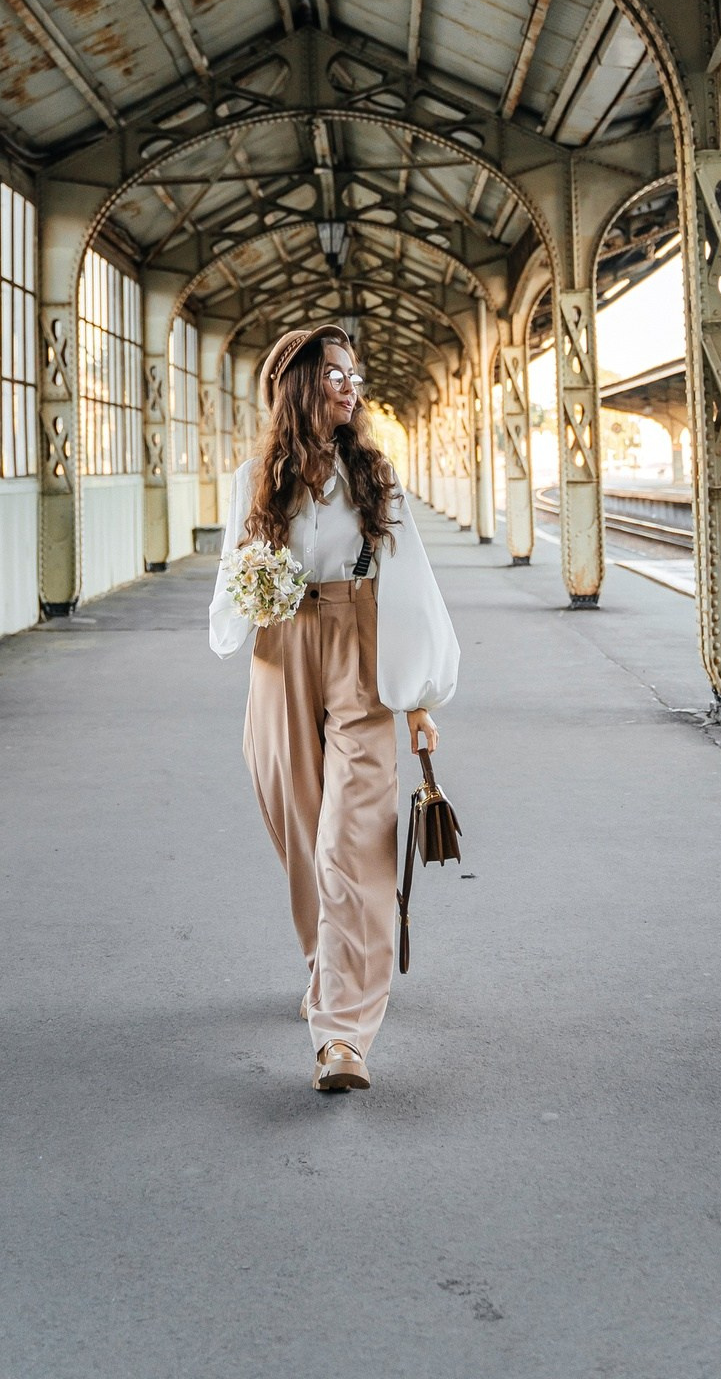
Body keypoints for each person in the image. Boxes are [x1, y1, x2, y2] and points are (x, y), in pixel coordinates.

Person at [209, 322, 459, 1093]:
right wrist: (254, 598)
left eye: (354, 374)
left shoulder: (376, 478)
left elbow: (409, 585)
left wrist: (417, 698)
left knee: (352, 839)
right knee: (303, 836)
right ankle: (328, 967)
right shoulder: (256, 477)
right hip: (279, 655)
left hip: (357, 647)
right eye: (333, 375)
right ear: (297, 387)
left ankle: (342, 1035)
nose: (350, 387)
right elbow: (230, 578)